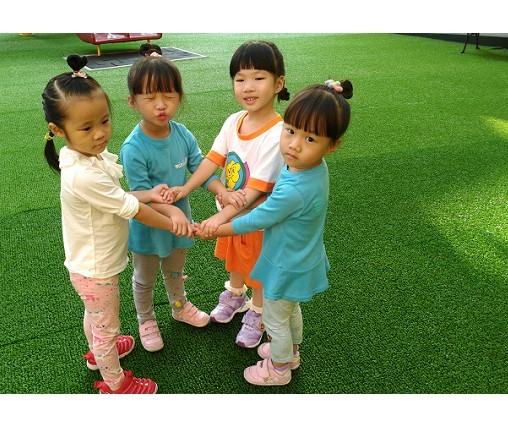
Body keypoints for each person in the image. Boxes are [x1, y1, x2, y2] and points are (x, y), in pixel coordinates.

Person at [194, 79, 354, 386]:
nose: (294, 145)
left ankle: (279, 369)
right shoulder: (313, 168)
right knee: (289, 311)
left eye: (310, 138)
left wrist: (217, 229)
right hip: (302, 258)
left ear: (332, 145)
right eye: (290, 131)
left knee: (274, 318)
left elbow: (256, 219)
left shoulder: (295, 189)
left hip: (285, 264)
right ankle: (291, 352)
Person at [42, 54, 181, 394]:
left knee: (96, 317)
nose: (100, 133)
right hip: (97, 268)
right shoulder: (83, 174)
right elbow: (130, 208)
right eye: (86, 128)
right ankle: (116, 384)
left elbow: (116, 196)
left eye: (104, 121)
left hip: (90, 264)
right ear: (58, 130)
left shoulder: (84, 157)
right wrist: (171, 222)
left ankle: (97, 352)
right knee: (107, 327)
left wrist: (149, 193)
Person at [167, 40, 290, 349]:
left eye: (259, 78)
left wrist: (218, 220)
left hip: (259, 220)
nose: (248, 87)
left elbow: (254, 191)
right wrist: (186, 187)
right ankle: (236, 295)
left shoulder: (277, 133)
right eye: (240, 78)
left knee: (258, 269)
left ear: (278, 83)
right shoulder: (234, 120)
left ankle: (259, 312)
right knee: (235, 260)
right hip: (233, 215)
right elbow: (212, 160)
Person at [119, 55, 217, 352]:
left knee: (174, 270)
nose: (161, 105)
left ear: (179, 98)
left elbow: (201, 167)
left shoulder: (182, 133)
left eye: (169, 97)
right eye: (150, 98)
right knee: (145, 278)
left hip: (179, 224)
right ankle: (146, 319)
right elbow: (140, 195)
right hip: (149, 226)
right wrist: (172, 210)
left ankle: (179, 306)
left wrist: (220, 190)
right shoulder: (133, 147)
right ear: (133, 102)